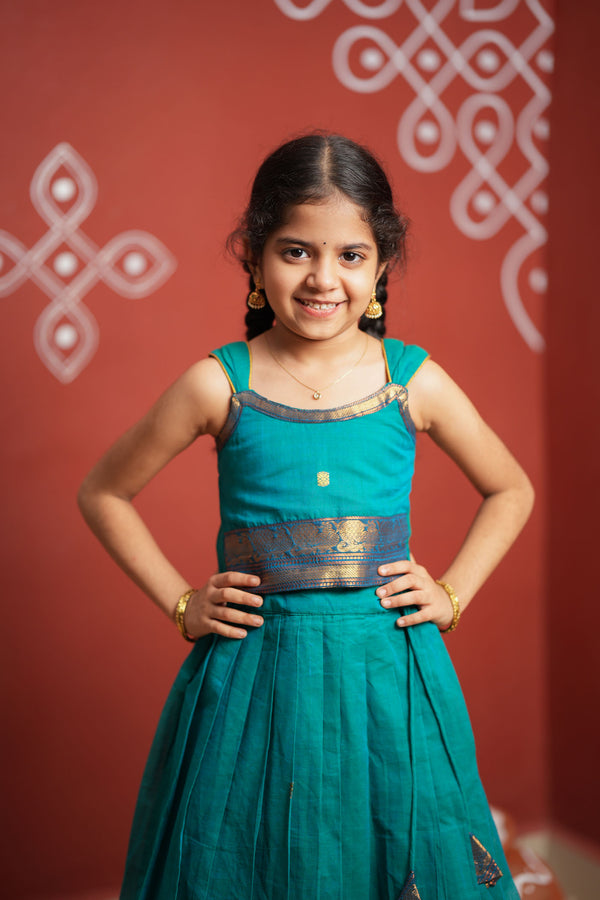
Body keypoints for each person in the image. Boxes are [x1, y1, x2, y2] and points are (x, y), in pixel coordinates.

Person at [78, 133, 533, 899]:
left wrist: (451, 592)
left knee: (393, 849)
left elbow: (510, 487)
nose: (324, 279)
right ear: (255, 255)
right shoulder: (219, 383)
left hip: (390, 673)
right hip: (255, 680)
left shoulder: (408, 382)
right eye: (296, 252)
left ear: (383, 263)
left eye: (351, 255)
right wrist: (183, 603)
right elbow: (104, 491)